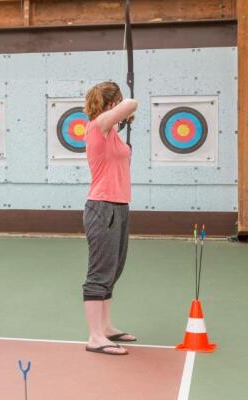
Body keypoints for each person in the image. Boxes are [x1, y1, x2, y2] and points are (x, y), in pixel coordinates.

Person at [82, 81, 138, 355]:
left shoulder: (111, 131)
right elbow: (132, 103)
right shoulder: (97, 126)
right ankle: (94, 337)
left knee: (114, 270)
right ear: (112, 104)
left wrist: (122, 118)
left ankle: (105, 327)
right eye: (117, 101)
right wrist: (123, 109)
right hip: (102, 207)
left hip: (119, 206)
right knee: (100, 272)